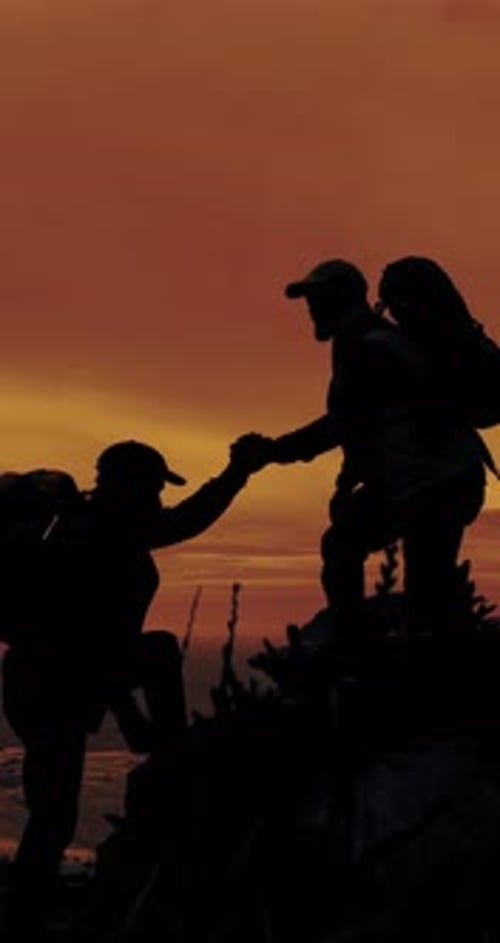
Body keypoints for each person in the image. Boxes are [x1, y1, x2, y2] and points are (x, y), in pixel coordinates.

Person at [1, 436, 264, 939]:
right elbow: (185, 521)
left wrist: (127, 715)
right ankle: (22, 920)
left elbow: (99, 642)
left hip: (44, 680)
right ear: (132, 485)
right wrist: (238, 472)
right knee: (54, 812)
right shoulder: (107, 526)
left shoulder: (84, 524)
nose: (159, 499)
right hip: (53, 681)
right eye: (153, 488)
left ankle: (25, 911)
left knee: (51, 812)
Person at [241, 258, 487, 647]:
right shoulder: (368, 340)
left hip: (435, 486)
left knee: (359, 553)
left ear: (340, 298)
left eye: (316, 298)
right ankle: (374, 645)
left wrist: (273, 451)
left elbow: (342, 426)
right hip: (440, 482)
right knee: (369, 554)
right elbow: (365, 431)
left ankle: (354, 647)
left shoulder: (371, 348)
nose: (310, 308)